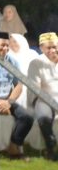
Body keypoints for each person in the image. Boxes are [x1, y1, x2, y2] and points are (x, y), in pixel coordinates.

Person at [0, 31, 34, 159]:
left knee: (27, 117)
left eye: (7, 45)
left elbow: (19, 85)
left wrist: (9, 102)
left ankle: (13, 145)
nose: (6, 48)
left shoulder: (12, 61)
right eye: (3, 45)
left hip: (7, 100)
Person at [27, 32, 58, 161]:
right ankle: (51, 146)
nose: (52, 50)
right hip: (43, 98)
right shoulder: (36, 63)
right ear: (41, 48)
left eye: (54, 47)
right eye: (48, 48)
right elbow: (36, 88)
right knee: (44, 115)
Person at [7, 33, 39, 107]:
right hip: (15, 88)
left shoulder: (32, 54)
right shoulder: (7, 56)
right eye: (10, 42)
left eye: (15, 41)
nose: (12, 44)